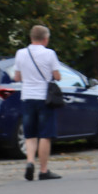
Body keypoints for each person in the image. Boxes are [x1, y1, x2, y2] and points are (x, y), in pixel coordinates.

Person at [13, 25, 62, 180]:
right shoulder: (49, 54)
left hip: (27, 97)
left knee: (30, 135)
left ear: (31, 37)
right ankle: (43, 170)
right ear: (45, 39)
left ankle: (29, 162)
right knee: (45, 135)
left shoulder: (20, 53)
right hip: (45, 99)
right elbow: (57, 76)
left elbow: (17, 78)